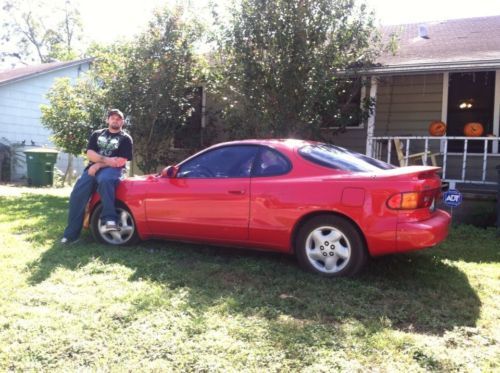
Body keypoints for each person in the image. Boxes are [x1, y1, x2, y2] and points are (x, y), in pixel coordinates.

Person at [61, 109, 133, 244]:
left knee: (105, 180)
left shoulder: (125, 138)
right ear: (108, 120)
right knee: (77, 195)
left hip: (114, 170)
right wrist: (105, 161)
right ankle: (71, 235)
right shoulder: (97, 134)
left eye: (118, 118)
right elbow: (90, 154)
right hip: (92, 169)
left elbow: (121, 161)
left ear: (122, 122)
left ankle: (109, 219)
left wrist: (98, 165)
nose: (115, 120)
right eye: (112, 118)